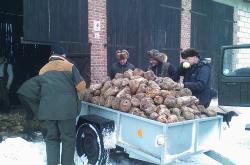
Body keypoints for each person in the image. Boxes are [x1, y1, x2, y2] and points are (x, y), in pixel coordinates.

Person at [18, 44, 86, 165]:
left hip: (48, 111)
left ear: (52, 56)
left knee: (51, 140)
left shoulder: (43, 70)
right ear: (63, 55)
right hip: (67, 111)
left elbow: (38, 90)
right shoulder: (70, 66)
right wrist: (78, 101)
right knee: (68, 140)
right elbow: (81, 87)